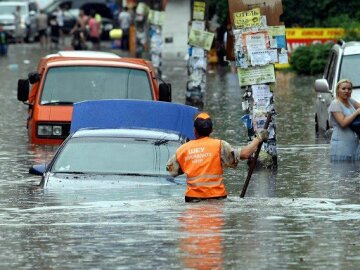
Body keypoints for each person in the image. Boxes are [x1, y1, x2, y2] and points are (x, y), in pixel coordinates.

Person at [166, 112, 269, 202]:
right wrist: (259, 138)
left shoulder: (183, 149)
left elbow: (170, 170)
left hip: (192, 200)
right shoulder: (219, 146)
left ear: (195, 131)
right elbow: (245, 154)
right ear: (212, 130)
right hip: (217, 200)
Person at [328, 79, 360, 161]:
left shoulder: (350, 101)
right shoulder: (335, 104)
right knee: (342, 172)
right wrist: (356, 112)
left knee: (354, 172)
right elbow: (343, 123)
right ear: (338, 90)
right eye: (343, 89)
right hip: (341, 147)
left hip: (354, 145)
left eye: (349, 89)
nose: (347, 91)